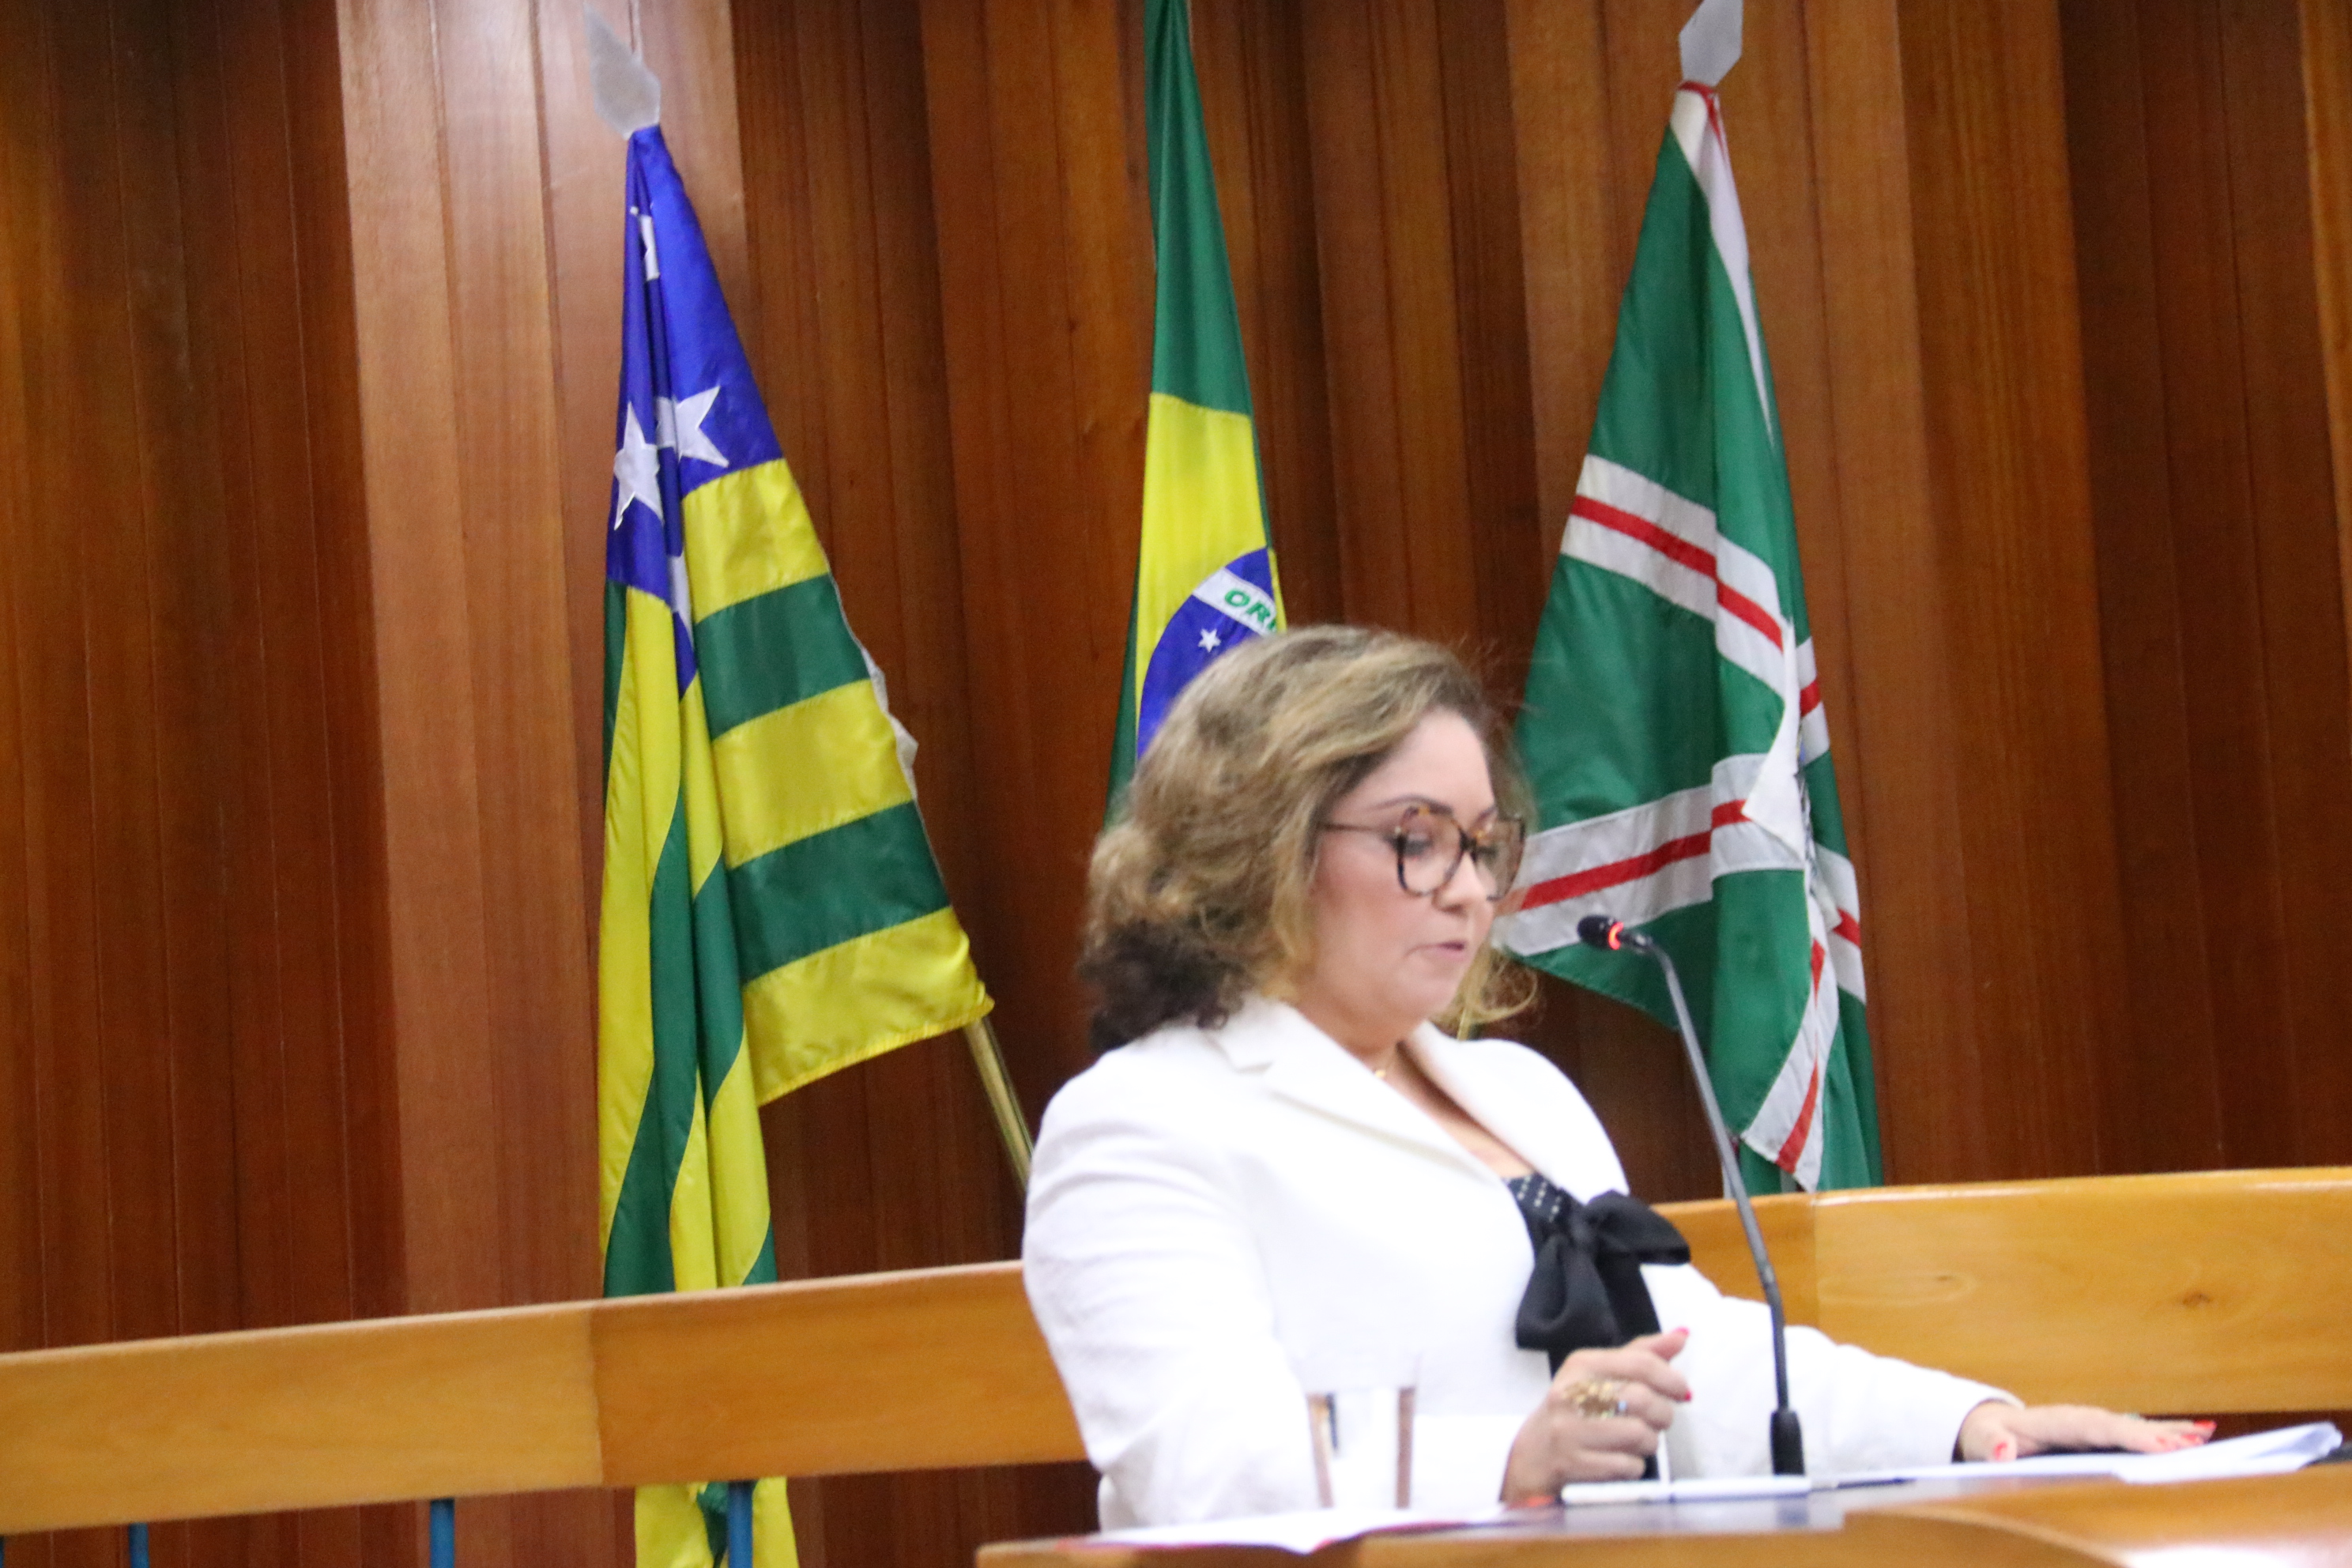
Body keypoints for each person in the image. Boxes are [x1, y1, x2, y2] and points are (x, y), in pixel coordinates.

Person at [1023, 626, 2209, 1528]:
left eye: (1482, 844)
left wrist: (1974, 1426)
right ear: (1260, 845)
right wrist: (1509, 1457)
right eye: (1415, 840)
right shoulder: (1142, 1122)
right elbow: (1201, 1463)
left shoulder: (1520, 1093)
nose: (1469, 891)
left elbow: (1697, 1366)